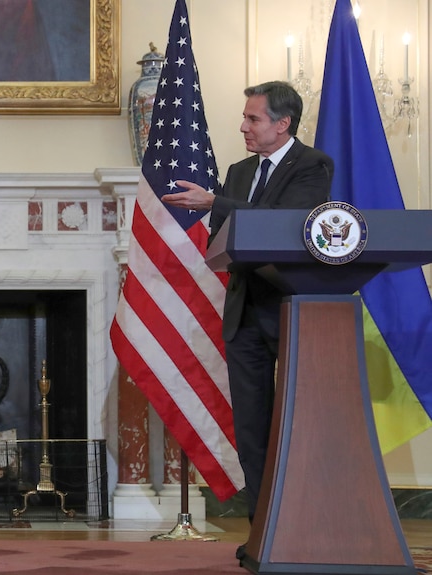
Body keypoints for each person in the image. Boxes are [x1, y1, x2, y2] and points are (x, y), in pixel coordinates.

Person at [161, 81, 333, 561]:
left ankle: (309, 529)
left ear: (283, 124)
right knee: (253, 432)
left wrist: (216, 202)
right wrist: (218, 208)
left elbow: (285, 223)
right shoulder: (238, 172)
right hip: (244, 313)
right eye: (244, 117)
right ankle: (265, 535)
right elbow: (225, 237)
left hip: (293, 308)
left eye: (253, 119)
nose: (243, 126)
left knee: (299, 426)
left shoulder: (313, 165)